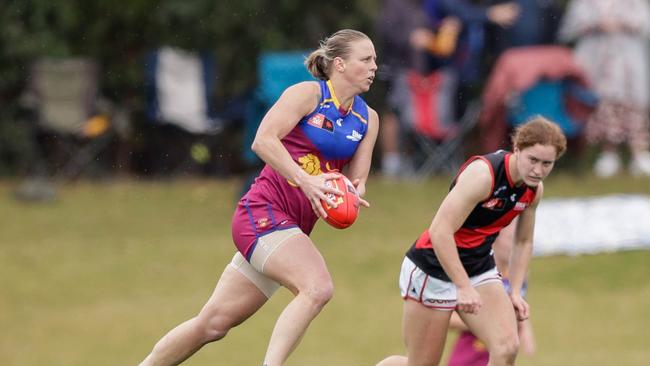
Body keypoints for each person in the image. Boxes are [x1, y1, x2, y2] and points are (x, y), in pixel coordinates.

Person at [139, 29, 379, 366]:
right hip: (262, 212)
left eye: (375, 60)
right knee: (317, 287)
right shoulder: (308, 95)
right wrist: (306, 181)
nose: (374, 66)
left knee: (212, 324)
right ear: (339, 64)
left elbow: (357, 179)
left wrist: (351, 195)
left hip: (290, 230)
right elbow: (263, 140)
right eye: (366, 59)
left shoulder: (368, 119)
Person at [376, 116, 566, 366]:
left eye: (547, 164)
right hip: (432, 267)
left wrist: (517, 291)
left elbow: (523, 242)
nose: (538, 170)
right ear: (517, 149)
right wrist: (463, 286)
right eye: (533, 160)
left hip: (478, 264)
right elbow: (440, 231)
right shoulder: (484, 175)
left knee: (506, 347)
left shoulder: (533, 190)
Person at [558, 0, 650, 177]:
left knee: (632, 105)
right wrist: (596, 24)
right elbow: (569, 29)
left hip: (628, 62)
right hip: (595, 62)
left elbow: (645, 24)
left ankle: (639, 154)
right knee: (601, 106)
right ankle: (609, 154)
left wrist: (622, 23)